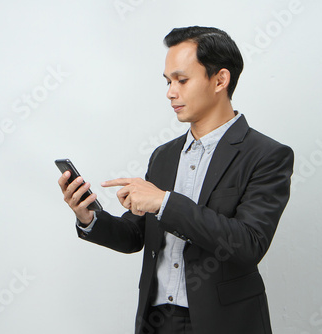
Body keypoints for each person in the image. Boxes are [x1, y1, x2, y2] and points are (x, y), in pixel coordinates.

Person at [58, 26, 294, 334]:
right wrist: (89, 216)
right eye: (169, 81)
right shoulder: (164, 155)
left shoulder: (267, 155)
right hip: (157, 320)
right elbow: (135, 235)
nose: (170, 92)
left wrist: (164, 202)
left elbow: (248, 244)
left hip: (223, 322)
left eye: (182, 80)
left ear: (220, 79)